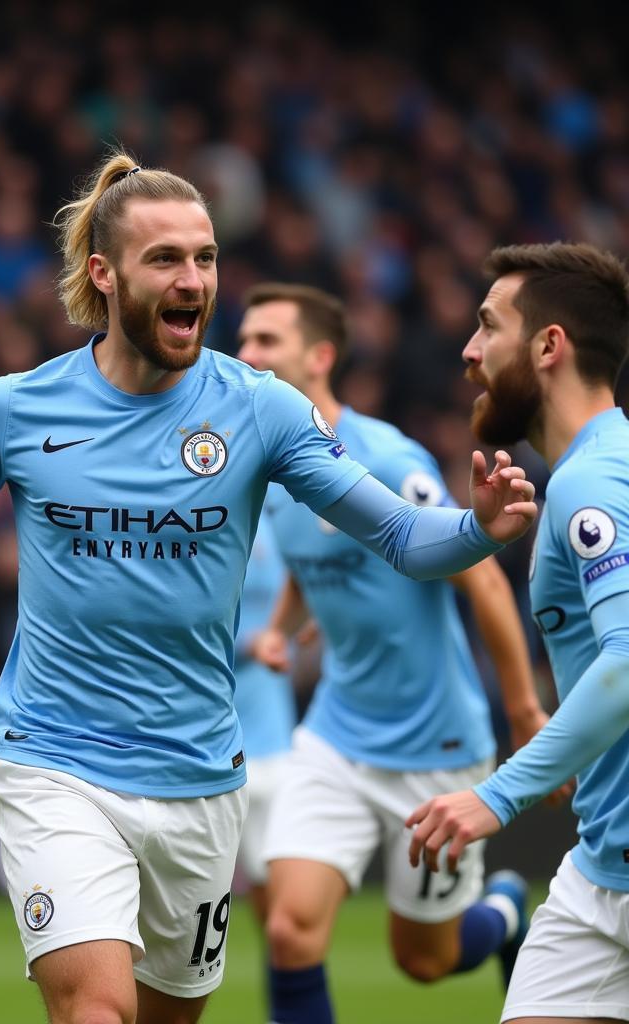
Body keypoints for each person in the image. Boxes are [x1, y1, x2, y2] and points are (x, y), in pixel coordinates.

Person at [0, 152, 537, 1024]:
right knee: (97, 1013)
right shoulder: (14, 410)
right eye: (167, 260)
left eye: (207, 257)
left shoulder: (260, 409)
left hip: (198, 780)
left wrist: (480, 528)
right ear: (104, 276)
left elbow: (407, 539)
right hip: (54, 765)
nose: (194, 280)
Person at [236, 282, 554, 1024]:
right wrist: (285, 621)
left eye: (265, 342)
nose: (245, 354)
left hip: (435, 748)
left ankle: (504, 909)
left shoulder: (384, 455)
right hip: (337, 737)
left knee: (424, 962)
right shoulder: (271, 470)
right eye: (243, 340)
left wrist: (523, 709)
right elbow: (308, 557)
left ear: (319, 357)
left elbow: (480, 579)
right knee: (287, 929)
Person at [407, 242, 629, 1024]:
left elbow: (628, 664)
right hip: (603, 873)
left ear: (548, 346)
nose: (469, 352)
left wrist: (496, 796)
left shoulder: (593, 482)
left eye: (487, 326)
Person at [231, 501, 297, 925]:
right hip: (209, 742)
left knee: (275, 892)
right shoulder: (196, 530)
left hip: (272, 739)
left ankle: (286, 982)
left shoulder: (279, 529)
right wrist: (247, 644)